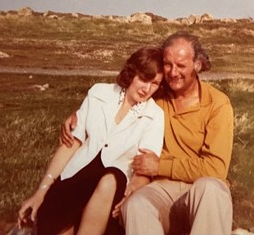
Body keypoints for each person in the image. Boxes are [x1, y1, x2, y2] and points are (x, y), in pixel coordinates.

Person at [62, 32, 234, 235]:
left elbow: (216, 168)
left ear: (197, 65)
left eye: (181, 65)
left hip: (200, 191)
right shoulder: (155, 96)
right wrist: (81, 115)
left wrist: (160, 166)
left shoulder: (217, 104)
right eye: (168, 64)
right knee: (137, 203)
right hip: (161, 190)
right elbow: (118, 102)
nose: (173, 72)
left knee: (211, 189)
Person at [18, 47, 165, 235]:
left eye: (155, 83)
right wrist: (42, 190)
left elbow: (145, 166)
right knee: (54, 223)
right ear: (132, 72)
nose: (147, 89)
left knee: (111, 177)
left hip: (111, 192)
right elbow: (71, 143)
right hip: (76, 180)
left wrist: (132, 191)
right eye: (144, 79)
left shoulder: (155, 115)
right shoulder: (99, 93)